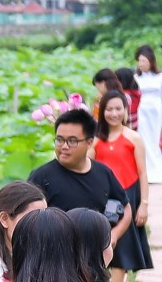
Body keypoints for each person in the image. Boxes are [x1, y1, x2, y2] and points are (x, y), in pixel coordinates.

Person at [30, 108, 131, 260]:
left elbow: (126, 208)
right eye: (59, 140)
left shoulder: (103, 173)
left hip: (93, 262)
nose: (64, 146)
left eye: (72, 141)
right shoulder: (41, 177)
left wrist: (113, 236)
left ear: (89, 142)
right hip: (54, 261)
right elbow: (26, 220)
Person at [92, 90, 153, 282]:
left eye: (118, 109)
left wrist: (144, 204)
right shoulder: (96, 140)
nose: (114, 113)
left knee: (123, 249)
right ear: (102, 112)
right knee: (99, 245)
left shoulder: (133, 138)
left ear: (126, 111)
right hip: (100, 198)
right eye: (109, 109)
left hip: (128, 197)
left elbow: (143, 173)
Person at [129, 45, 162, 185]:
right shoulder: (136, 78)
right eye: (140, 61)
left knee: (156, 140)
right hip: (142, 111)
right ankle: (146, 173)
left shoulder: (160, 77)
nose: (141, 64)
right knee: (144, 140)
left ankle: (158, 172)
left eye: (144, 61)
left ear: (151, 61)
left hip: (156, 111)